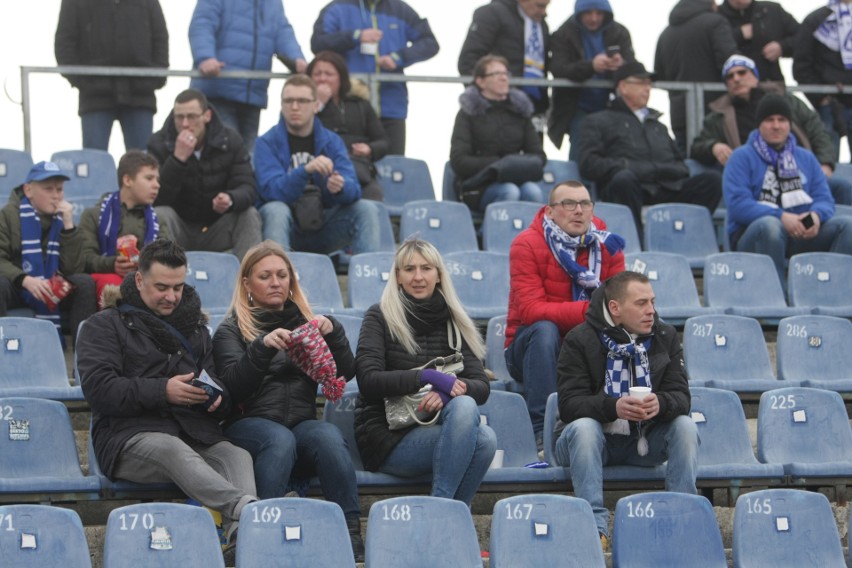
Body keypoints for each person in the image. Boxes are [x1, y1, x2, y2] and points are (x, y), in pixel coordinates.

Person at [75, 239, 258, 560]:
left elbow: (216, 383)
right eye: (161, 287)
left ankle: (241, 542)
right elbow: (100, 391)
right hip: (127, 438)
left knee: (236, 455)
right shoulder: (103, 325)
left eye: (177, 287)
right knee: (171, 449)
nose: (171, 296)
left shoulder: (196, 329)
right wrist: (164, 391)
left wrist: (215, 398)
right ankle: (247, 512)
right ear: (139, 279)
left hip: (192, 430)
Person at [213, 240, 364, 561]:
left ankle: (350, 533)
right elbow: (232, 389)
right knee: (279, 440)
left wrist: (334, 332)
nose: (276, 282)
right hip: (247, 427)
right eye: (265, 276)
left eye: (282, 275)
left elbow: (346, 373)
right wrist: (261, 348)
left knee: (329, 436)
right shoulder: (231, 330)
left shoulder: (305, 324)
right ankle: (258, 531)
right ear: (247, 284)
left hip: (301, 424)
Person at [554, 270, 698, 550]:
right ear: (615, 308)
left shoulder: (665, 336)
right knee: (584, 427)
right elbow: (569, 405)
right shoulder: (579, 339)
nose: (651, 311)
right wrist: (614, 407)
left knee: (685, 426)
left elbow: (682, 397)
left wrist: (661, 403)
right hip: (588, 443)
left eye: (652, 302)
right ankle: (594, 527)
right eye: (641, 303)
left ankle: (682, 520)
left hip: (643, 440)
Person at [354, 238, 497, 505]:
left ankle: (445, 516)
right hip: (388, 439)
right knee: (480, 435)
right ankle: (443, 510)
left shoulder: (455, 320)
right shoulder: (379, 316)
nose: (418, 277)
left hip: (442, 428)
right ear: (397, 277)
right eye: (409, 269)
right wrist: (426, 377)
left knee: (484, 434)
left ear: (439, 275)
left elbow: (481, 385)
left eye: (426, 268)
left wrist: (446, 393)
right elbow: (368, 380)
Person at [505, 180, 624, 448]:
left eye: (585, 204)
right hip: (531, 350)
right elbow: (531, 311)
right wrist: (593, 311)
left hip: (586, 348)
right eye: (569, 204)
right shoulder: (525, 244)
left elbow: (621, 306)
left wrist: (605, 315)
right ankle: (542, 430)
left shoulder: (608, 243)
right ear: (549, 211)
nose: (578, 210)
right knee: (545, 328)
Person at [578, 61, 723, 233]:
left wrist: (655, 171)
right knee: (623, 180)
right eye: (640, 83)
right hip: (630, 189)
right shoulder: (597, 121)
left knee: (711, 181)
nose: (647, 88)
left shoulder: (658, 126)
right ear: (623, 87)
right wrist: (627, 167)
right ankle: (635, 245)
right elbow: (589, 163)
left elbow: (682, 167)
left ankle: (687, 237)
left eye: (649, 84)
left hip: (667, 188)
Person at [690, 54, 852, 205]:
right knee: (772, 226)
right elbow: (697, 147)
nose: (736, 79)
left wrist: (825, 164)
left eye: (742, 72)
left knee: (844, 189)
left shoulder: (787, 101)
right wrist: (714, 146)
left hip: (803, 176)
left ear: (755, 76)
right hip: (759, 185)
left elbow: (818, 132)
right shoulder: (719, 115)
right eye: (730, 76)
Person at [723, 94, 852, 283]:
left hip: (800, 230)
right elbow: (738, 205)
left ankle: (831, 291)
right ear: (759, 124)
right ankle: (775, 296)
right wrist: (781, 217)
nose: (776, 125)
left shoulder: (805, 158)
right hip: (755, 233)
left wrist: (815, 216)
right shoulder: (741, 157)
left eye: (782, 120)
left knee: (847, 226)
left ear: (789, 124)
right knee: (770, 225)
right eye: (769, 120)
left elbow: (824, 199)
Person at [255, 74, 382, 256]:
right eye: (289, 101)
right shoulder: (266, 143)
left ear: (316, 106)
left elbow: (354, 188)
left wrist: (339, 187)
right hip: (285, 227)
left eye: (302, 101)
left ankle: (369, 280)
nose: (295, 107)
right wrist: (306, 170)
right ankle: (279, 279)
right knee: (276, 210)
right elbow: (271, 191)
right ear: (281, 105)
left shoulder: (332, 141)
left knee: (366, 209)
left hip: (324, 226)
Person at [311, 0, 440, 155]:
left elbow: (430, 43)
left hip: (391, 107)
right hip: (350, 107)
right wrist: (355, 36)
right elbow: (318, 42)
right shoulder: (336, 7)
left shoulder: (401, 9)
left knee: (393, 169)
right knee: (350, 165)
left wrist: (398, 58)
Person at [148, 89, 262, 260]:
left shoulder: (229, 140)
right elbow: (154, 198)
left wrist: (230, 199)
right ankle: (165, 280)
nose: (185, 124)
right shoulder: (159, 143)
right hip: (178, 228)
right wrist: (177, 160)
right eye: (179, 117)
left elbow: (248, 187)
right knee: (160, 214)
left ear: (207, 116)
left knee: (249, 214)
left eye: (192, 117)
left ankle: (250, 281)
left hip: (216, 226)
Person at [189, 0, 307, 152]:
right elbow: (202, 24)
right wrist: (205, 57)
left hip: (253, 97)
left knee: (248, 159)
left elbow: (283, 32)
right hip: (219, 93)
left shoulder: (273, 3)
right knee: (228, 152)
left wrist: (297, 58)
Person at [0, 161, 96, 345]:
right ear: (28, 190)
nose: (56, 196)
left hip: (52, 287)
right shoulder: (7, 215)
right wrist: (25, 280)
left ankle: (85, 357)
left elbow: (73, 268)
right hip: (19, 284)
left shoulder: (63, 219)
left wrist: (68, 227)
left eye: (59, 190)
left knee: (84, 282)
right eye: (48, 189)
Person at [54, 0, 169, 151]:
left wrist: (153, 78)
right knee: (94, 163)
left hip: (140, 94)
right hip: (94, 96)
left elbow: (160, 37)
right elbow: (64, 42)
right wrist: (83, 81)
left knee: (143, 163)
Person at [450, 54, 547, 213]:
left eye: (505, 74)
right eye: (496, 74)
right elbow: (459, 160)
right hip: (477, 186)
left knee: (533, 191)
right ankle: (493, 235)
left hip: (516, 179)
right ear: (480, 81)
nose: (503, 78)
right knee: (509, 191)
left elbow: (539, 156)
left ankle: (533, 237)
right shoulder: (467, 114)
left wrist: (512, 166)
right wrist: (497, 165)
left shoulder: (520, 112)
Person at [79, 150, 169, 304]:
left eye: (157, 179)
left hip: (146, 279)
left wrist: (144, 263)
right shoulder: (93, 215)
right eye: (149, 178)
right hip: (109, 277)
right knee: (112, 283)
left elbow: (169, 257)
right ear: (127, 180)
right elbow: (84, 258)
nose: (157, 185)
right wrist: (112, 264)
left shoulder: (158, 219)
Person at [548, 0, 635, 161]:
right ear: (579, 13)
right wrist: (591, 66)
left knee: (617, 157)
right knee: (580, 156)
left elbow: (633, 68)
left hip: (612, 107)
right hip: (576, 107)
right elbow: (558, 69)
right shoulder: (563, 34)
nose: (594, 18)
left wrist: (622, 66)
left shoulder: (620, 32)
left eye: (599, 13)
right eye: (588, 13)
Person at [654, 0, 738, 152]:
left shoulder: (666, 33)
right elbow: (732, 64)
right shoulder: (716, 22)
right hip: (716, 114)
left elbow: (660, 76)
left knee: (687, 169)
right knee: (720, 169)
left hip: (679, 115)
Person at [308, 51, 389, 201]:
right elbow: (299, 132)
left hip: (358, 173)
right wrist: (317, 104)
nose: (322, 79)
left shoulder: (360, 105)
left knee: (374, 199)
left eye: (328, 74)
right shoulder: (301, 106)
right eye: (317, 74)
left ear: (341, 77)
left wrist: (370, 149)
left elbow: (383, 141)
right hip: (318, 175)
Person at [458, 0, 551, 130]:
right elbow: (468, 60)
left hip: (533, 109)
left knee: (533, 150)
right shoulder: (491, 14)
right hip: (495, 107)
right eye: (540, 6)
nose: (544, 12)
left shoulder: (540, 24)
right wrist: (488, 98)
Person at [794, 0, 852, 162]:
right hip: (829, 107)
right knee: (828, 165)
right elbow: (801, 64)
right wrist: (820, 98)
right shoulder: (816, 20)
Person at [718, 0, 800, 83]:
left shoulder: (772, 10)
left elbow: (803, 39)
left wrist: (782, 46)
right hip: (730, 87)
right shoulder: (715, 17)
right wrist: (739, 34)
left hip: (770, 85)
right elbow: (709, 50)